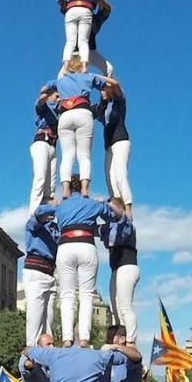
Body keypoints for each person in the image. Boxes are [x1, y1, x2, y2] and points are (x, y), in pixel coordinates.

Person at [35, 180, 123, 346]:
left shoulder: (62, 205)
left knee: (67, 295)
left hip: (65, 246)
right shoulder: (92, 203)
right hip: (86, 244)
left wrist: (53, 205)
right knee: (86, 294)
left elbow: (38, 212)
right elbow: (116, 216)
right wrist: (103, 203)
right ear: (85, 187)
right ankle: (84, 338)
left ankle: (67, 338)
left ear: (67, 188)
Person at [39, 72, 119, 199]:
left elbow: (43, 90)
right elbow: (113, 84)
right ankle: (84, 189)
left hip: (65, 115)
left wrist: (56, 86)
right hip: (83, 112)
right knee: (84, 156)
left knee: (67, 156)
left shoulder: (60, 80)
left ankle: (65, 190)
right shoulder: (87, 76)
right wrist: (99, 76)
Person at [101, 197, 139, 348]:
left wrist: (104, 204)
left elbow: (119, 213)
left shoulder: (126, 223)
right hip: (116, 268)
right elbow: (92, 229)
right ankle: (121, 335)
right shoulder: (108, 228)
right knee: (115, 307)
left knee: (125, 305)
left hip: (127, 266)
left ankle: (130, 341)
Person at [22, 209, 59, 348]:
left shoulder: (55, 228)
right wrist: (52, 207)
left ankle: (48, 350)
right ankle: (31, 350)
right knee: (35, 318)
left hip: (50, 273)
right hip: (35, 271)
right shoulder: (33, 224)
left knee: (48, 320)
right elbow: (37, 218)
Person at [96, 84, 132, 217]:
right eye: (101, 91)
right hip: (109, 144)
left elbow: (117, 87)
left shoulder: (118, 102)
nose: (102, 93)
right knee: (109, 176)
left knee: (120, 173)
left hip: (120, 140)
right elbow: (90, 111)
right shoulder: (103, 108)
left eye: (104, 90)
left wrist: (104, 78)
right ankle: (116, 204)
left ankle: (128, 206)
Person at [57, 0, 102, 75]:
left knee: (70, 42)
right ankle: (84, 67)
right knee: (83, 41)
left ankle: (66, 67)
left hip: (71, 10)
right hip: (85, 9)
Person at [29, 90, 59, 216]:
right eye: (57, 96)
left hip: (52, 145)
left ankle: (47, 214)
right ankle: (34, 212)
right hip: (42, 142)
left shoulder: (60, 111)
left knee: (50, 186)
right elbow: (40, 102)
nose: (59, 99)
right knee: (40, 177)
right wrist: (45, 95)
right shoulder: (46, 106)